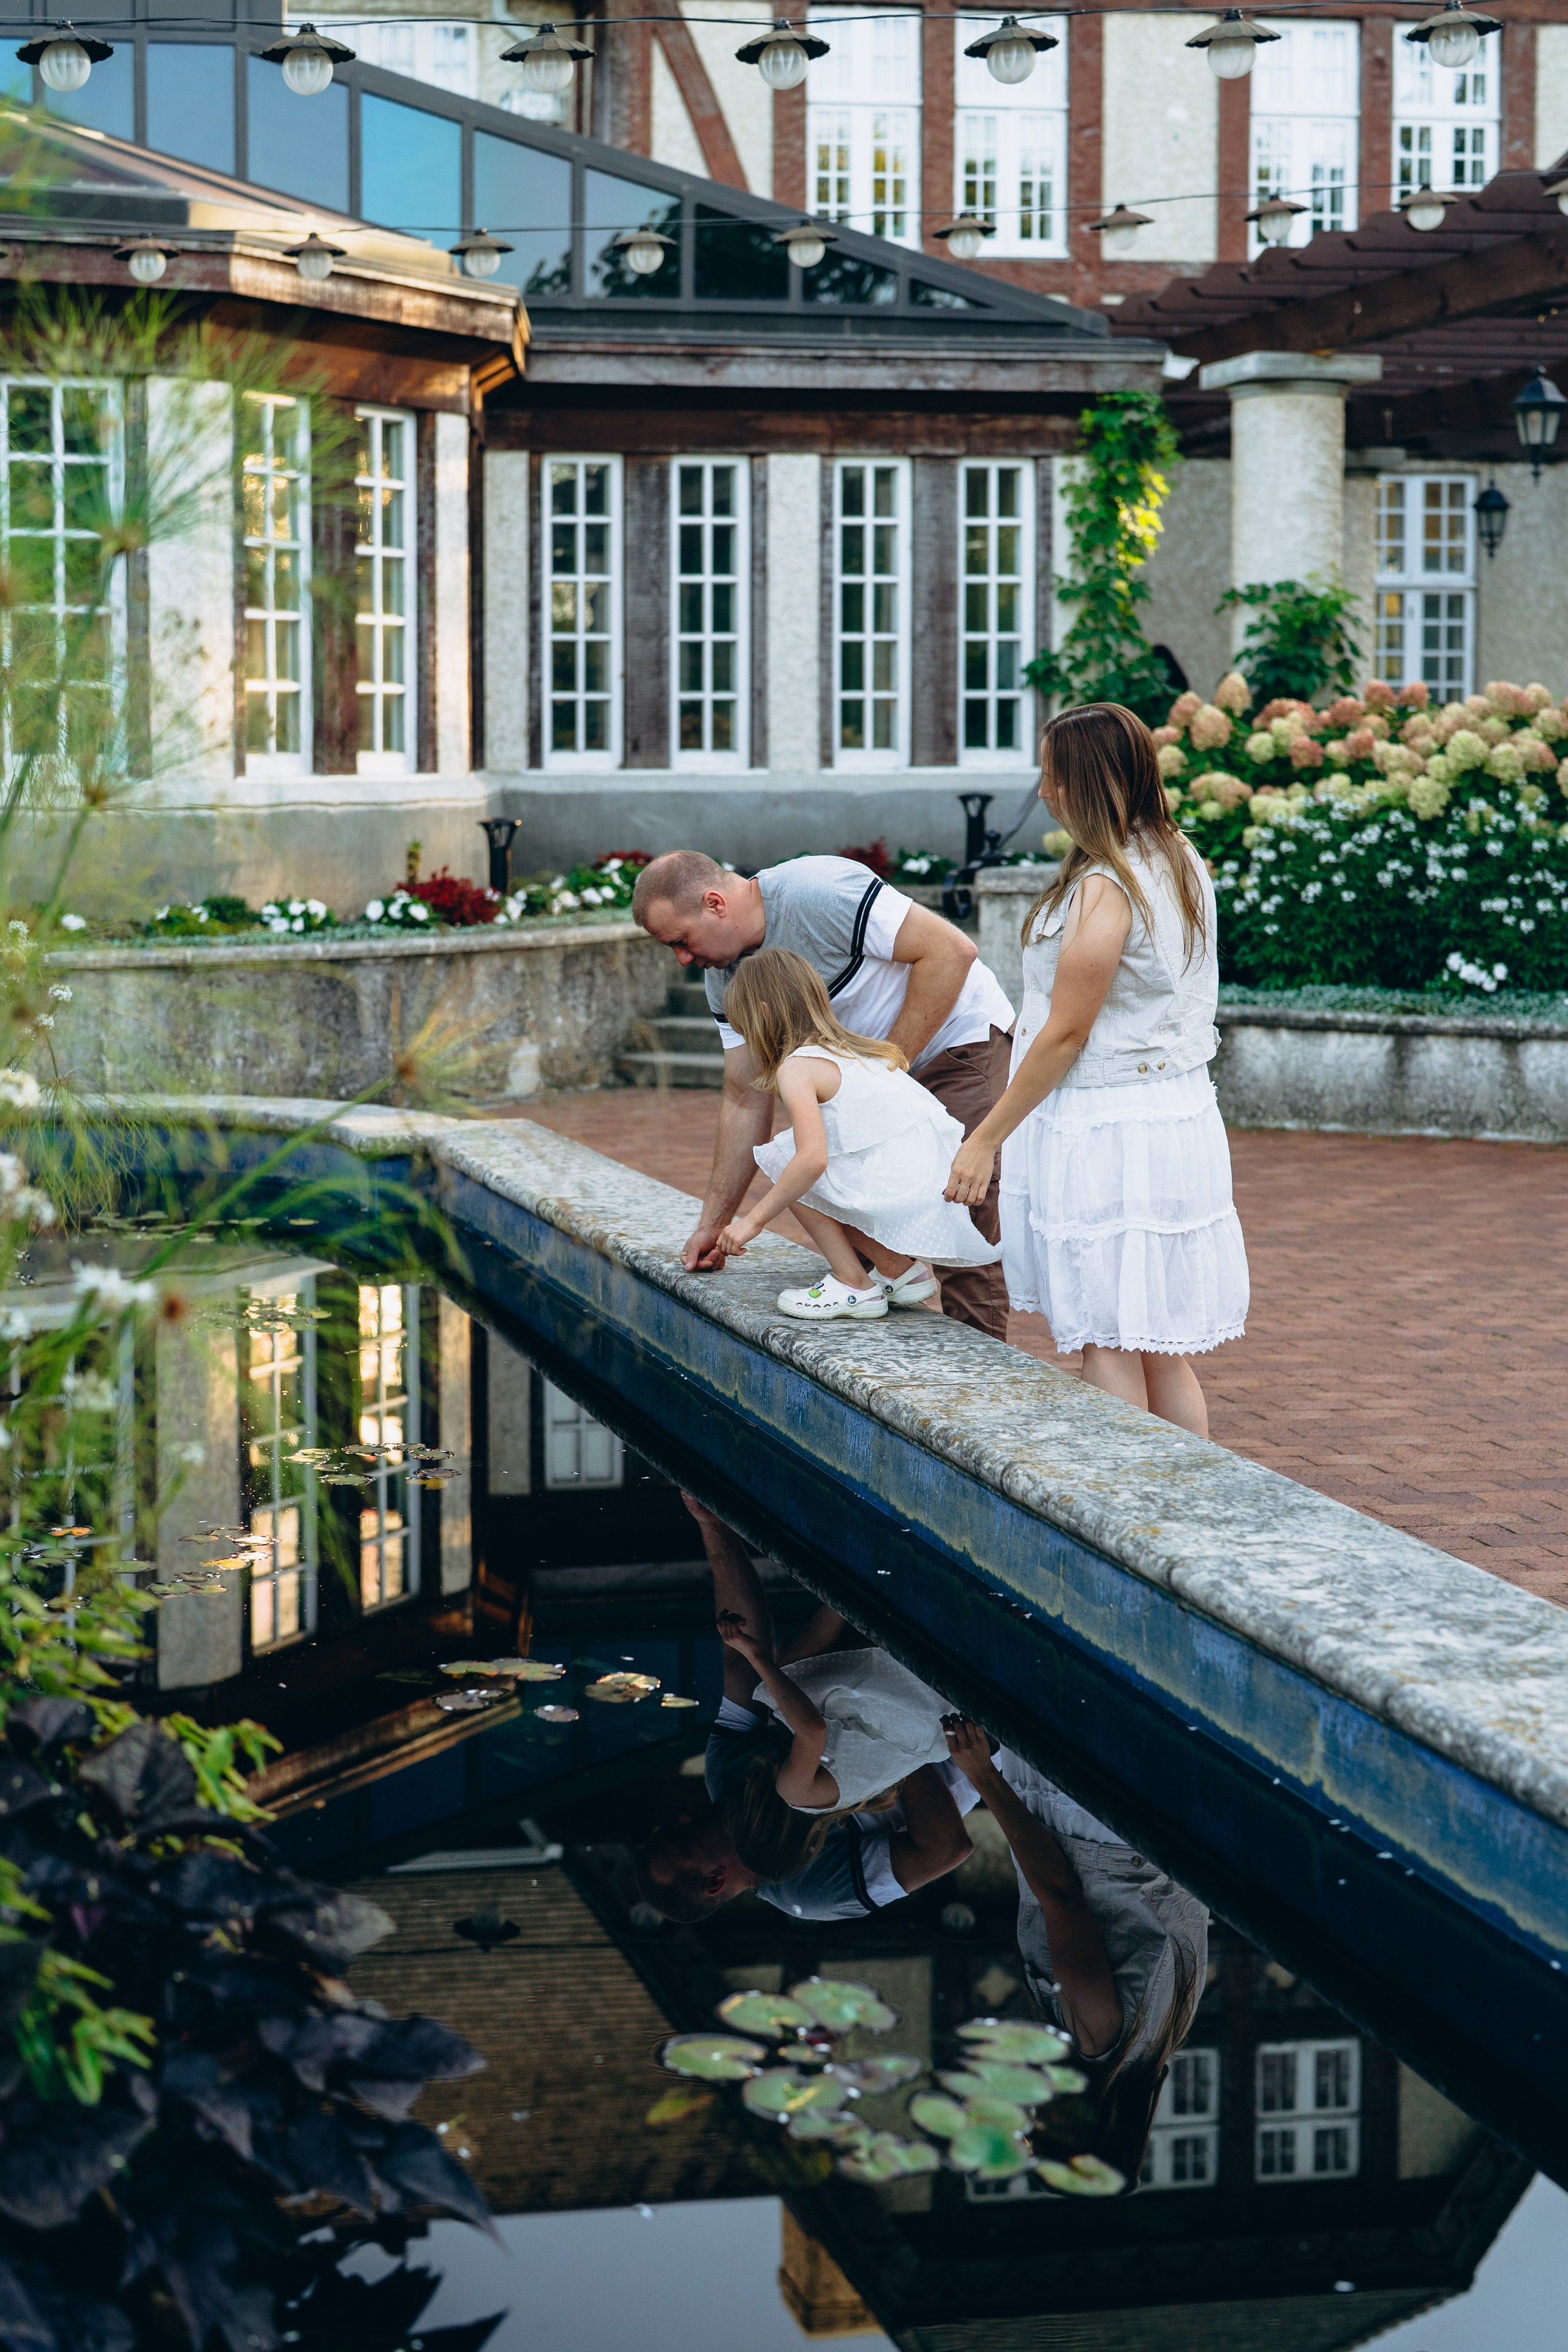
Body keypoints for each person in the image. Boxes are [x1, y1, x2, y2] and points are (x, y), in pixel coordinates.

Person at [946, 703, 1248, 1438]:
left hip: (1112, 1126)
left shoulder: (1108, 883)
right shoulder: (1173, 854)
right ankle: (1178, 1507)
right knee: (1154, 1348)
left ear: (1093, 781)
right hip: (1165, 1111)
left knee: (1107, 1338)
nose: (1045, 791)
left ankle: (1124, 1521)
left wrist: (985, 1137)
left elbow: (1067, 1032)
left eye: (1055, 776)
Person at [630, 850, 1016, 1338]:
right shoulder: (723, 978)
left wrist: (882, 1078)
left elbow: (951, 951)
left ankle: (977, 1389)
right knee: (850, 1213)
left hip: (954, 1043)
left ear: (714, 904)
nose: (684, 959)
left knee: (958, 1208)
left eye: (681, 941)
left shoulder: (820, 891)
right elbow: (746, 1099)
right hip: (863, 1072)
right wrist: (714, 1222)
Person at [633, 1498, 976, 1923]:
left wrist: (714, 1525)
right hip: (955, 1738)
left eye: (672, 1826)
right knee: (780, 1689)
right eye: (681, 1840)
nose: (684, 1815)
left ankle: (855, 1584)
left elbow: (744, 1667)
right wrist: (896, 1756)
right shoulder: (814, 1894)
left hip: (879, 1694)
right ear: (716, 1879)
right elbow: (946, 1849)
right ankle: (857, 1583)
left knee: (776, 1688)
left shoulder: (727, 1779)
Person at [943, 1716, 1208, 2191]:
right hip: (1086, 1821)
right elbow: (1060, 1894)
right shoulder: (1099, 2038)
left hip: (1155, 1828)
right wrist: (984, 1776)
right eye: (1037, 2138)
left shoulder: (1163, 2037)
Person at [714, 949, 1003, 1324]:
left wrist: (752, 1221)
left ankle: (853, 1284)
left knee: (787, 1159)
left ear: (764, 1015)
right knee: (808, 1163)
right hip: (930, 1181)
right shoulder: (854, 1050)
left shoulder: (797, 1068)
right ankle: (897, 1268)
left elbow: (811, 1161)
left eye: (745, 1028)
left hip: (907, 1189)